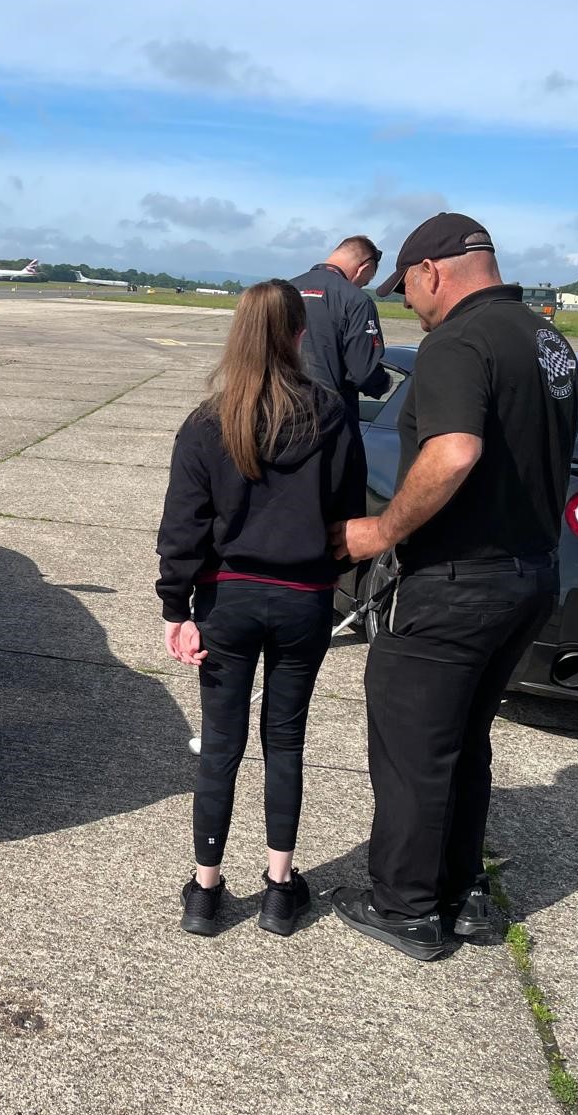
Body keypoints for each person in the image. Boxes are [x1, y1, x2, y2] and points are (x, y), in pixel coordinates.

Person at [329, 213, 578, 961]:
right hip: (531, 575)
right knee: (464, 742)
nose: (409, 305)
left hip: (457, 581)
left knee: (411, 746)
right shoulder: (548, 340)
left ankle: (405, 906)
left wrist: (379, 532)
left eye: (407, 289)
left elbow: (455, 451)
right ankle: (464, 893)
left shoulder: (457, 343)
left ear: (433, 270)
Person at [156, 279, 366, 938]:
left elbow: (182, 526)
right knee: (285, 740)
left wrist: (176, 606)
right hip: (304, 601)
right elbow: (348, 519)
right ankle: (279, 888)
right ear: (301, 335)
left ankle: (206, 892)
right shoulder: (332, 414)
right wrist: (323, 571)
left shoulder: (206, 422)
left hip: (228, 601)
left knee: (220, 745)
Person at [288, 236, 392, 418]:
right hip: (330, 419)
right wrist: (384, 383)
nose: (361, 286)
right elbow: (363, 371)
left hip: (280, 413)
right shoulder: (357, 300)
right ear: (364, 268)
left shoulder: (284, 290)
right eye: (365, 282)